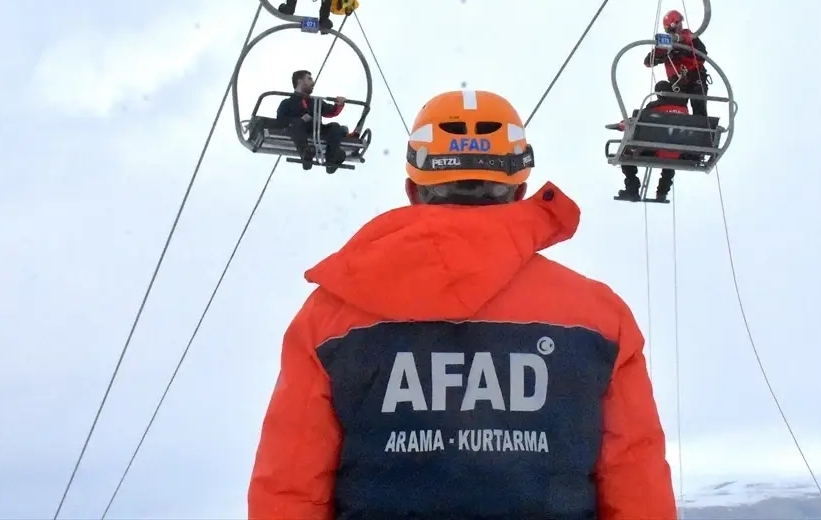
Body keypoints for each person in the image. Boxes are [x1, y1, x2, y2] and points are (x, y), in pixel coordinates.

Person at [248, 89, 677, 520]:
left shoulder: (328, 318)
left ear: (414, 189)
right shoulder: (601, 318)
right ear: (520, 186)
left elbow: (289, 488)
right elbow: (637, 484)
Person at [614, 80, 689, 203]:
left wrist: (621, 125)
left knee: (626, 153)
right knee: (671, 155)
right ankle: (662, 192)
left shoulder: (653, 107)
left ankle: (632, 189)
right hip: (678, 153)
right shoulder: (683, 108)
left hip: (655, 150)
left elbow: (636, 122)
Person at [276, 69, 347, 173]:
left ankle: (332, 157)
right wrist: (299, 120)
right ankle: (305, 153)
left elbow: (330, 112)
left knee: (334, 126)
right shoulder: (288, 103)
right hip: (299, 129)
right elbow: (280, 120)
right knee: (296, 125)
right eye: (309, 79)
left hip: (316, 129)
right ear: (300, 81)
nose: (313, 83)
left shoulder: (315, 102)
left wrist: (339, 104)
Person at [644, 8, 710, 116]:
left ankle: (702, 127)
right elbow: (648, 62)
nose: (681, 26)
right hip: (678, 83)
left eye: (681, 24)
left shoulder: (689, 37)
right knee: (662, 88)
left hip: (695, 77)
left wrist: (682, 51)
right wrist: (660, 56)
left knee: (698, 103)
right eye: (678, 24)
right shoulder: (666, 43)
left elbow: (702, 54)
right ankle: (666, 117)